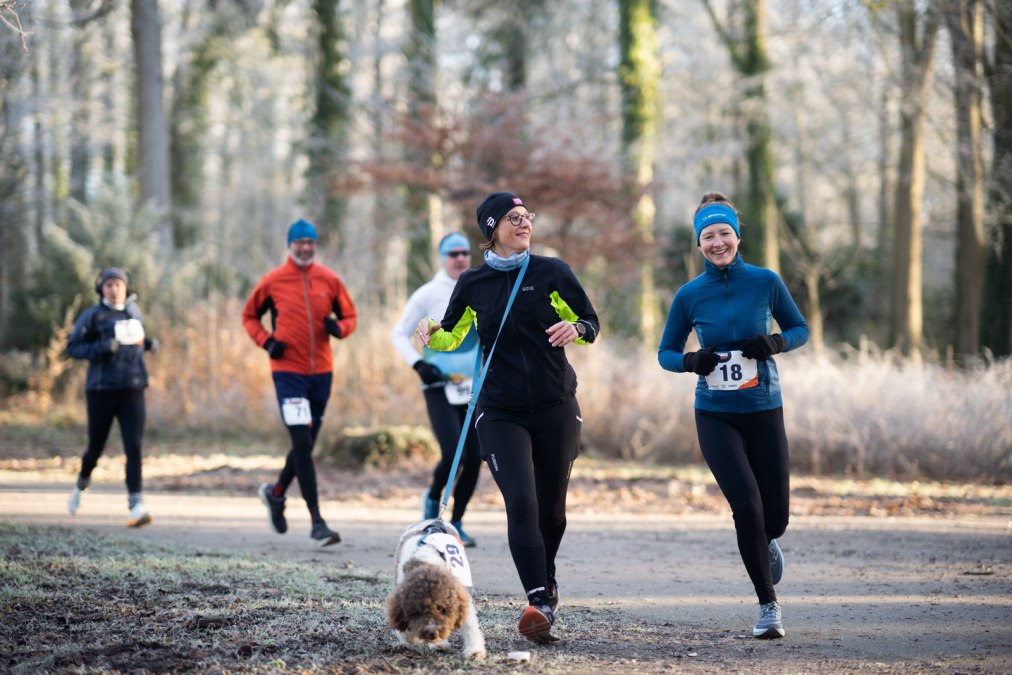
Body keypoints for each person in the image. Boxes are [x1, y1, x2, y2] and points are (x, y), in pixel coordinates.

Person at [417, 192, 600, 645]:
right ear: (492, 229)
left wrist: (576, 328)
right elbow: (452, 335)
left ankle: (546, 584)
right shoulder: (474, 283)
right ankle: (538, 600)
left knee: (552, 512)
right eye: (513, 218)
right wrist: (430, 333)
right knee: (521, 502)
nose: (524, 224)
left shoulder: (552, 272)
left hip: (557, 407)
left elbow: (590, 323)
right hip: (499, 410)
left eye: (526, 217)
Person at [657, 192, 809, 640]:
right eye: (708, 236)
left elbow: (800, 329)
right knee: (746, 505)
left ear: (738, 237)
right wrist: (691, 361)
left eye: (724, 233)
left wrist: (776, 342)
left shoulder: (765, 282)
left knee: (774, 518)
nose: (718, 242)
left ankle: (768, 538)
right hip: (715, 414)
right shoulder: (689, 295)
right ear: (699, 244)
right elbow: (665, 352)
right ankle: (768, 606)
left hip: (764, 409)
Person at [242, 218, 357, 548]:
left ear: (315, 245)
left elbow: (350, 317)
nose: (305, 248)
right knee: (303, 444)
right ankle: (317, 523)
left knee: (306, 443)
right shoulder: (273, 281)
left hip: (321, 373)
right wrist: (267, 342)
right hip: (288, 372)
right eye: (299, 243)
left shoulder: (329, 279)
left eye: (310, 243)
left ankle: (276, 493)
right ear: (290, 245)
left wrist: (339, 329)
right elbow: (249, 316)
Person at [391, 232, 483, 547]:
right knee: (453, 454)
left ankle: (457, 523)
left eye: (464, 253)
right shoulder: (427, 294)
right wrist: (419, 365)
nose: (460, 258)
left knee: (475, 457)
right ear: (442, 258)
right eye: (453, 253)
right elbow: (399, 333)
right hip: (438, 386)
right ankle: (432, 502)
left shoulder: (479, 288)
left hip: (473, 386)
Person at [66, 267, 160, 527]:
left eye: (118, 284)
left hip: (133, 388)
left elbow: (134, 342)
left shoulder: (134, 311)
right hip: (101, 390)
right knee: (96, 448)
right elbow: (73, 347)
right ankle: (82, 483)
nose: (114, 289)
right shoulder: (92, 315)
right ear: (101, 289)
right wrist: (101, 348)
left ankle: (135, 506)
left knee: (134, 446)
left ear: (126, 288)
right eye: (108, 285)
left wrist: (148, 343)